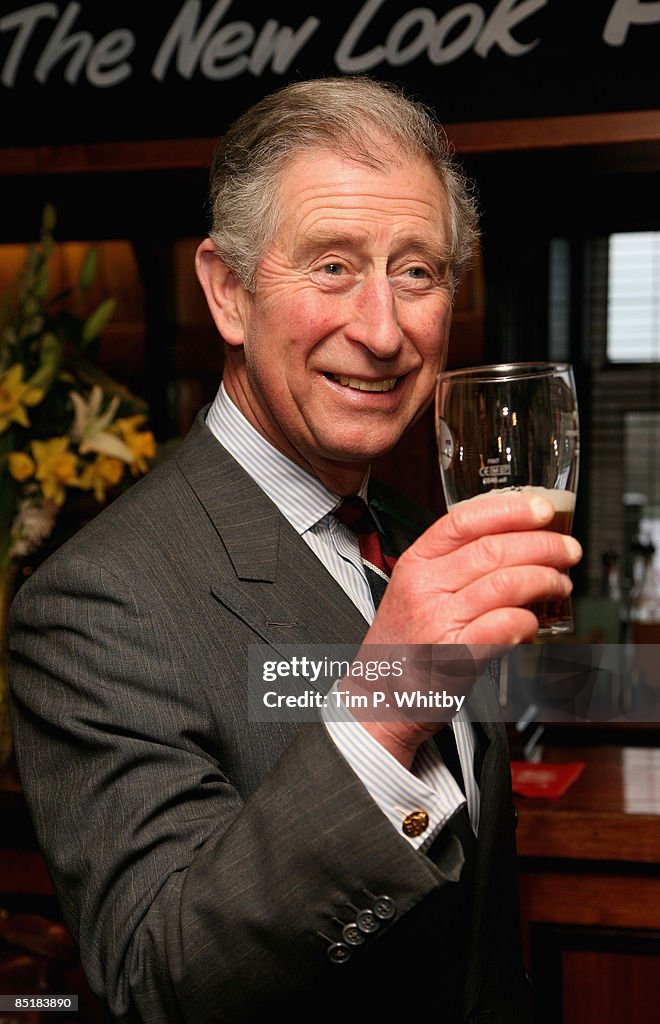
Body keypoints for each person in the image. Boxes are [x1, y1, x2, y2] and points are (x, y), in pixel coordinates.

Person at [9, 76, 580, 1023]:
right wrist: (388, 707)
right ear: (229, 294)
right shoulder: (96, 602)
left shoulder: (409, 530)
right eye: (331, 266)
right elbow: (162, 976)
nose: (384, 330)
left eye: (418, 272)